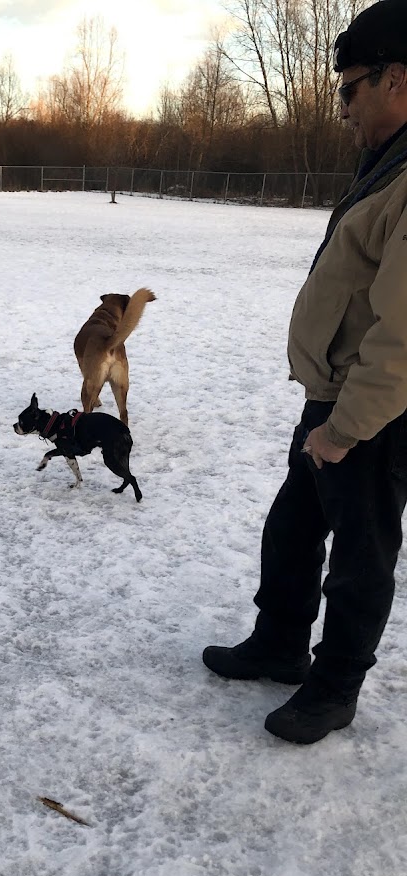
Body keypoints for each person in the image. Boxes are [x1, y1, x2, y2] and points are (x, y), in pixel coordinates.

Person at [202, 0, 407, 744]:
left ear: (397, 79)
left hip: (374, 412)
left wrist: (346, 428)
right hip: (333, 397)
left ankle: (335, 685)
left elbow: (403, 335)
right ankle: (280, 642)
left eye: (350, 88)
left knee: (361, 553)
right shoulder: (387, 161)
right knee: (292, 527)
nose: (344, 107)